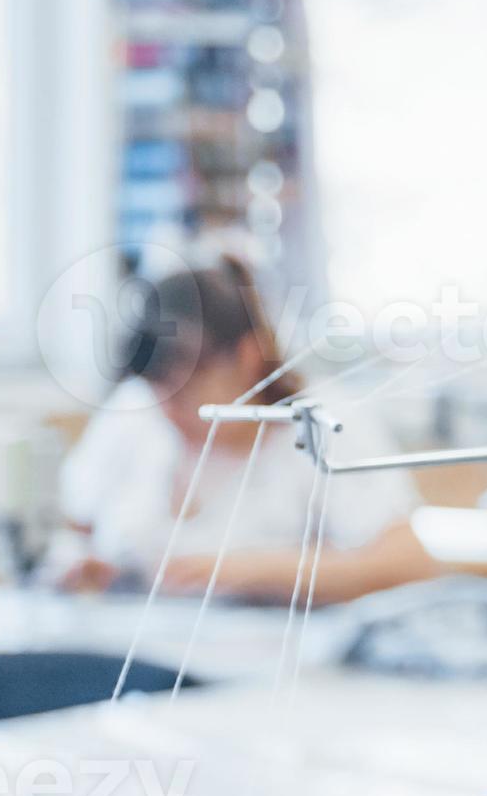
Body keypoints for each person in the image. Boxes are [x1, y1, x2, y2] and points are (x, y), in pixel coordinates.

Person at [50, 256, 438, 605]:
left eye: (187, 385)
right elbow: (72, 528)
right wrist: (82, 566)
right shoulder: (136, 410)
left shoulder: (323, 424)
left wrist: (248, 571)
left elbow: (410, 564)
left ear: (248, 356)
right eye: (159, 387)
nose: (169, 408)